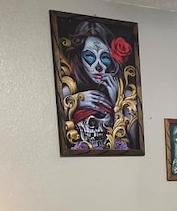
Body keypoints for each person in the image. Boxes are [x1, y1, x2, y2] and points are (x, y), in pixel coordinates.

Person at [58, 20, 140, 152]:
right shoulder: (67, 90)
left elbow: (135, 144)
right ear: (79, 57)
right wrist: (77, 101)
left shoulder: (126, 94)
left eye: (104, 57)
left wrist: (116, 103)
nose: (98, 66)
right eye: (90, 56)